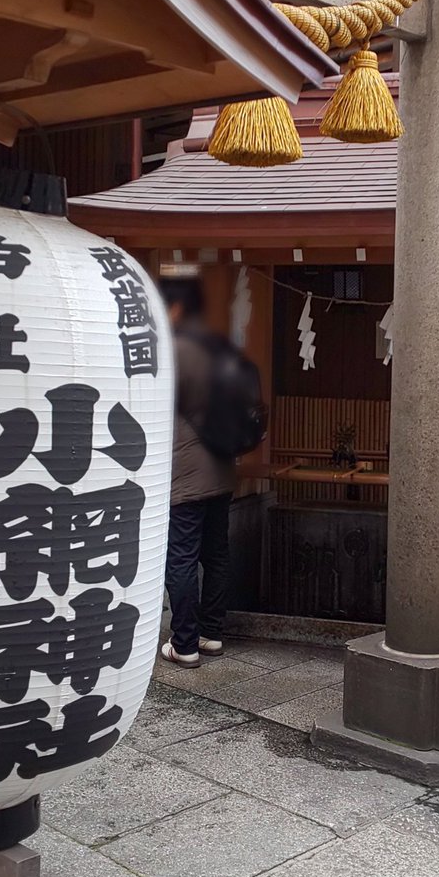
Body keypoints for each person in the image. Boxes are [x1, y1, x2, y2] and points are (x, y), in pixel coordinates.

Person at [159, 278, 236, 669]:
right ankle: (211, 634)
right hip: (221, 471)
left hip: (186, 478)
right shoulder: (217, 349)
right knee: (216, 555)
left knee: (183, 559)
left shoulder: (173, 350)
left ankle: (184, 643)